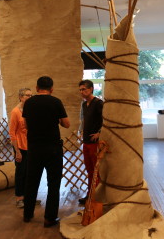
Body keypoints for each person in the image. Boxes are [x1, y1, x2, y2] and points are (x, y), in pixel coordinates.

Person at [22, 76, 70, 227]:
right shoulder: (56, 102)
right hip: (53, 149)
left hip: (34, 148)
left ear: (37, 88)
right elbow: (66, 124)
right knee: (54, 183)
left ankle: (27, 214)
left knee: (31, 182)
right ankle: (49, 218)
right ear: (52, 89)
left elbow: (25, 123)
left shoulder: (29, 102)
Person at [78, 80, 103, 204]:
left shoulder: (98, 103)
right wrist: (81, 132)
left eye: (84, 89)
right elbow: (84, 121)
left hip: (95, 142)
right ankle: (90, 194)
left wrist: (99, 132)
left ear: (91, 89)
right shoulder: (84, 104)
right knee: (89, 170)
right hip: (86, 141)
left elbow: (106, 120)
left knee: (96, 170)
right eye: (81, 90)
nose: (82, 92)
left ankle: (96, 196)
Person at [9, 88, 32, 208]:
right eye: (27, 95)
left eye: (31, 95)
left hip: (30, 146)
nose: (29, 97)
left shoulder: (30, 110)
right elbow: (12, 132)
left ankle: (28, 197)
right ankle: (19, 197)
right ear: (20, 97)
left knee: (29, 172)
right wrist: (17, 151)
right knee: (21, 172)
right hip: (20, 146)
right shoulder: (15, 112)